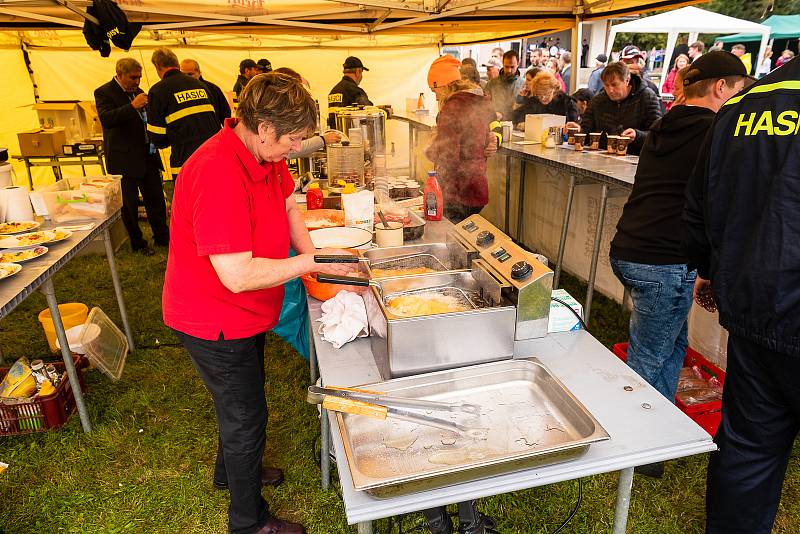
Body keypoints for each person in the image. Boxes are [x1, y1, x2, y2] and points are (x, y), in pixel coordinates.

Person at [162, 72, 354, 534]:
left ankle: (230, 472)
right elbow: (236, 275)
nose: (295, 148)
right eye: (292, 139)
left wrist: (313, 258)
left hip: (243, 315)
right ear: (264, 128)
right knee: (246, 416)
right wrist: (309, 263)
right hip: (214, 317)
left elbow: (289, 203)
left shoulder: (262, 153)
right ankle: (248, 521)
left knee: (238, 404)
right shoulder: (217, 171)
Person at [609, 51, 749, 478]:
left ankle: (657, 437)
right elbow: (723, 195)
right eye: (738, 92)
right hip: (662, 259)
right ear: (721, 87)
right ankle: (628, 444)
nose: (738, 102)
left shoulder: (666, 122)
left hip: (632, 249)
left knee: (670, 344)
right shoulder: (715, 129)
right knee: (650, 354)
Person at [683, 53, 800, 534]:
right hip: (765, 310)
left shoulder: (745, 104)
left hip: (755, 313)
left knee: (749, 450)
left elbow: (701, 205)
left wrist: (710, 269)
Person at [94, 58, 169, 256]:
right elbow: (107, 119)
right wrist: (132, 107)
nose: (136, 81)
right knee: (129, 204)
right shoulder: (104, 92)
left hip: (147, 154)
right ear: (119, 74)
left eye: (139, 77)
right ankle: (138, 242)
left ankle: (163, 237)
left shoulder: (139, 91)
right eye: (132, 77)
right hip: (123, 160)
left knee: (156, 199)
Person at [424, 54, 497, 224]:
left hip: (459, 193)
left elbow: (448, 156)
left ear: (443, 85)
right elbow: (483, 140)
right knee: (464, 236)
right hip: (477, 187)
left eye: (434, 90)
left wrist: (431, 149)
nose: (435, 97)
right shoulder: (475, 101)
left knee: (452, 239)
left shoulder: (453, 107)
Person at [146, 47, 220, 180]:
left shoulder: (158, 91)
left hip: (185, 163)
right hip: (214, 157)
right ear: (176, 63)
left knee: (189, 200)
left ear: (157, 66)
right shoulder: (200, 85)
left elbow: (157, 137)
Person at [566, 61, 663, 155]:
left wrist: (637, 135)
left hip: (636, 159)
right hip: (602, 158)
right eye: (606, 85)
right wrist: (579, 130)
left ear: (627, 80)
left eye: (614, 84)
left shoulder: (647, 97)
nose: (610, 90)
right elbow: (587, 130)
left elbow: (658, 136)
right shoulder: (598, 101)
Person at [512, 71, 578, 128]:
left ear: (554, 90)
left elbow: (575, 125)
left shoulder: (567, 102)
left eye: (547, 94)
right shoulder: (534, 100)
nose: (543, 98)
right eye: (539, 94)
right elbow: (517, 115)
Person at [180, 58, 231, 126]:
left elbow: (225, 113)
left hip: (212, 133)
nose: (186, 78)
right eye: (183, 74)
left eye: (190, 74)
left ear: (199, 73)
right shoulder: (177, 91)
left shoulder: (213, 89)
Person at [327, 56, 372, 128]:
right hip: (351, 136)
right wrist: (385, 111)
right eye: (361, 73)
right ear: (358, 72)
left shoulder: (334, 91)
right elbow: (369, 112)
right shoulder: (355, 91)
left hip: (335, 135)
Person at [484, 50, 526, 121]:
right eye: (506, 67)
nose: (509, 70)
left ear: (518, 63)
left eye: (512, 67)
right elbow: (484, 105)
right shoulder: (491, 84)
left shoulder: (524, 84)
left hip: (516, 124)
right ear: (502, 64)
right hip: (495, 123)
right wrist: (492, 113)